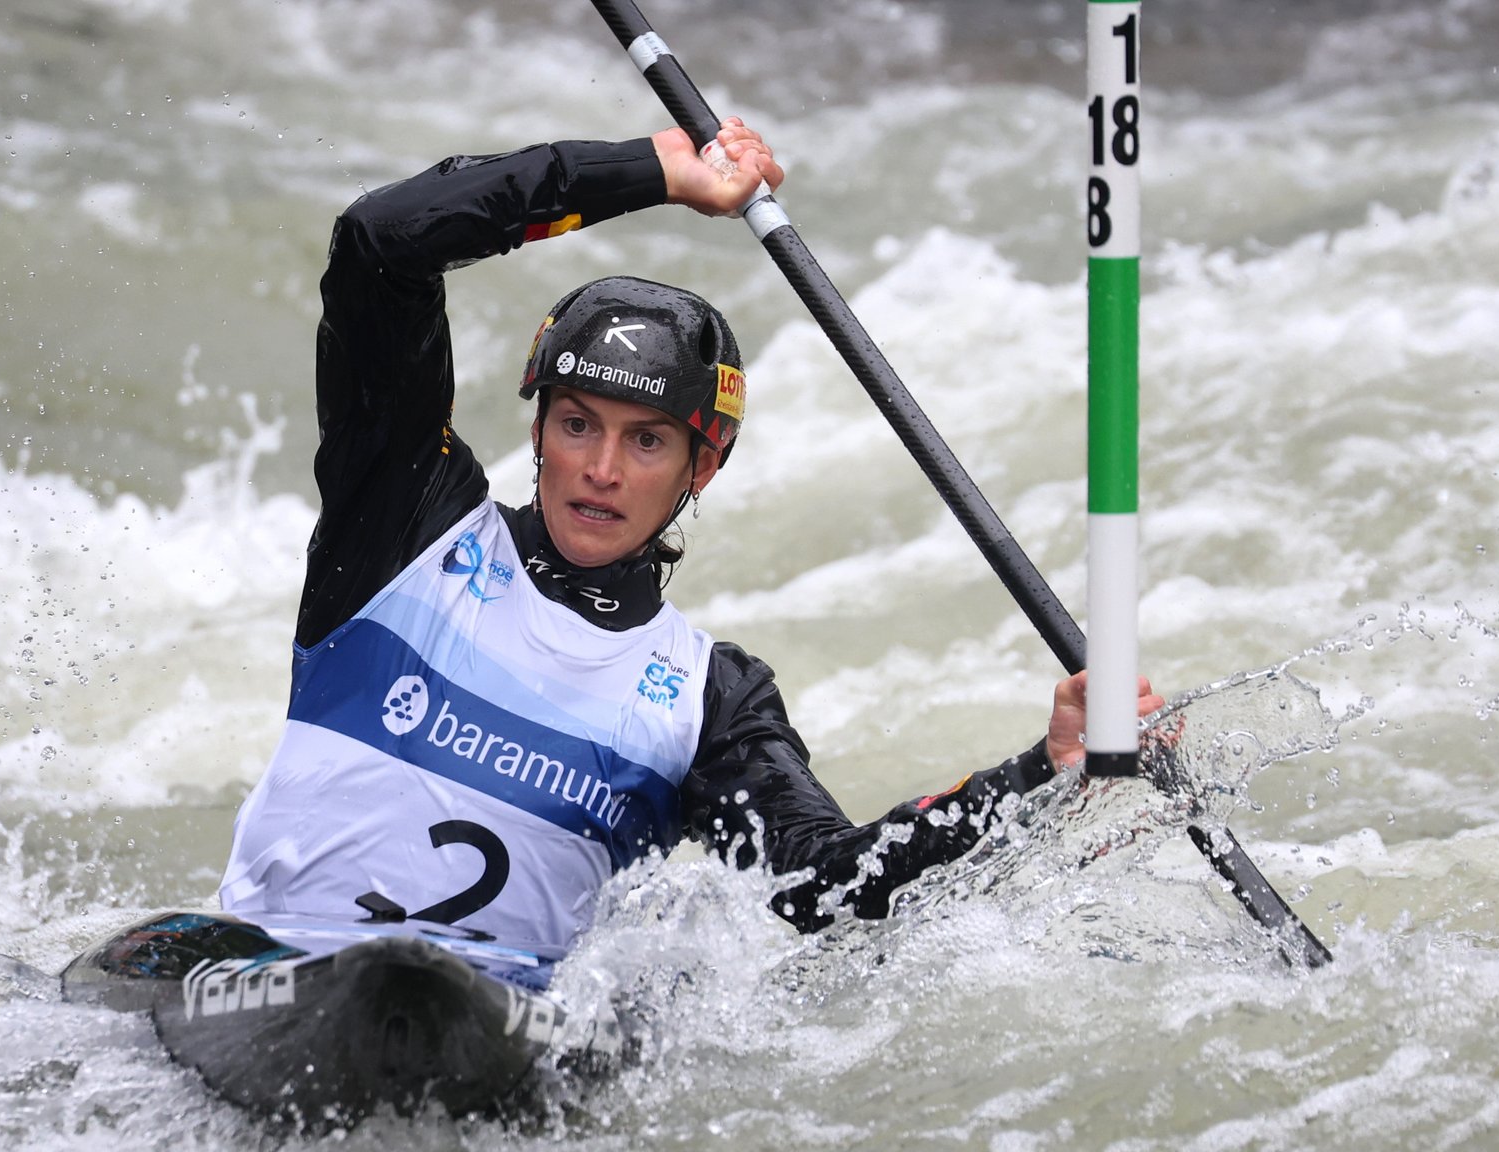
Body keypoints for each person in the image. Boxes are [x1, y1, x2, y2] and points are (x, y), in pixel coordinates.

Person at [218, 118, 1162, 951]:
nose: (602, 468)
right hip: (273, 970)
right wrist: (650, 172)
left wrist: (1043, 771)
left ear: (700, 469)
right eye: (577, 423)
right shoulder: (406, 526)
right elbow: (379, 243)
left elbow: (824, 888)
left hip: (486, 1037)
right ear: (539, 427)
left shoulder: (709, 700)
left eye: (648, 440)